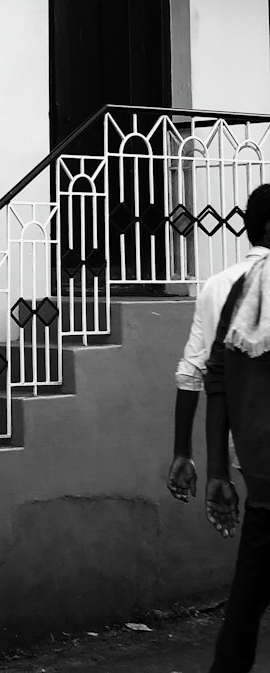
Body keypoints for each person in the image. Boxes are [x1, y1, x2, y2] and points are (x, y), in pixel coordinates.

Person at [167, 185, 270, 503]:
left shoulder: (215, 286)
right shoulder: (251, 283)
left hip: (241, 443)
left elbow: (192, 372)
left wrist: (183, 452)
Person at [203, 248, 270, 672]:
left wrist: (216, 472)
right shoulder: (246, 287)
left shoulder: (246, 289)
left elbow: (216, 375)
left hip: (262, 486)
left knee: (242, 616)